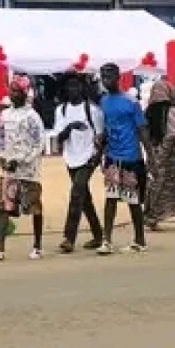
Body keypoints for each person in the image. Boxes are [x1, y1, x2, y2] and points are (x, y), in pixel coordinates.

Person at [0, 76, 45, 261]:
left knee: (33, 208)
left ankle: (37, 246)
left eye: (16, 91)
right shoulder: (5, 115)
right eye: (11, 90)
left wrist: (23, 160)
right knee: (3, 207)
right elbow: (0, 138)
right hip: (9, 169)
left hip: (29, 171)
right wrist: (1, 157)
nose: (12, 93)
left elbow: (38, 143)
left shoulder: (32, 116)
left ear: (24, 94)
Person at [97, 63, 151, 255]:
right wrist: (99, 153)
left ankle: (140, 239)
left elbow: (142, 130)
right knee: (110, 198)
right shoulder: (103, 102)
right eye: (103, 76)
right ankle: (106, 240)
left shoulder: (131, 102)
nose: (106, 79)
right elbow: (104, 130)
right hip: (112, 156)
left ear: (118, 77)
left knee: (132, 200)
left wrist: (150, 156)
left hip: (131, 157)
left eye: (110, 75)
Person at [53, 74, 104, 253]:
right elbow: (59, 137)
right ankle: (98, 235)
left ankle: (69, 237)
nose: (72, 90)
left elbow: (100, 136)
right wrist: (70, 126)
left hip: (88, 158)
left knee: (76, 193)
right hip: (71, 157)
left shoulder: (93, 110)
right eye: (69, 86)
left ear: (82, 88)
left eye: (76, 86)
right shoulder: (62, 110)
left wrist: (97, 158)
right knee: (84, 198)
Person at [144, 80, 175, 232]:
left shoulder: (148, 112)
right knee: (171, 185)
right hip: (170, 156)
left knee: (156, 185)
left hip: (153, 154)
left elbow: (143, 134)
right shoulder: (172, 111)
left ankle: (151, 216)